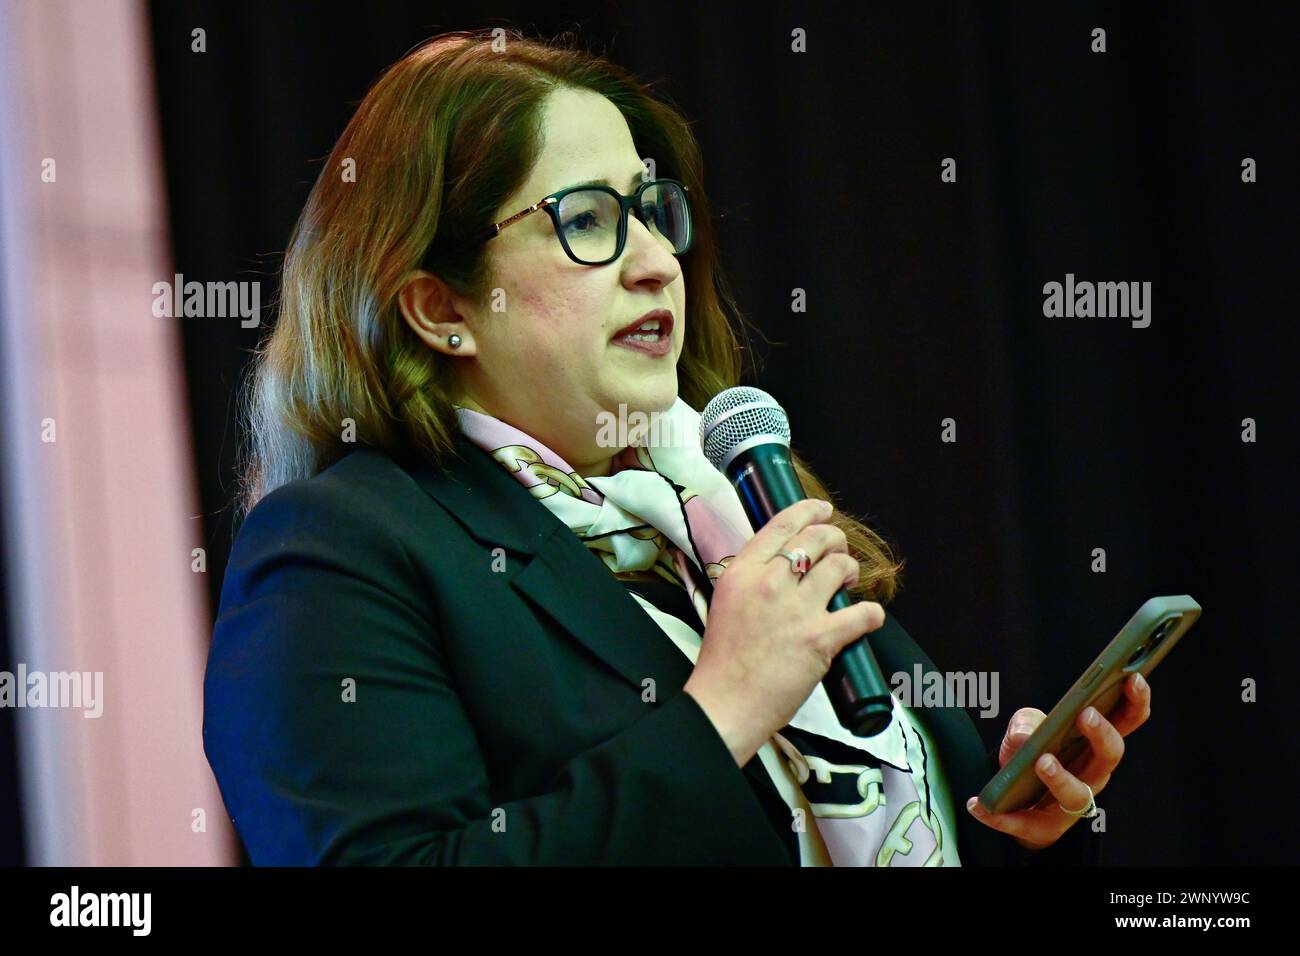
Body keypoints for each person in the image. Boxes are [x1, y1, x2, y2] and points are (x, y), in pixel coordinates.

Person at [202, 29, 1151, 866]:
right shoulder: (335, 553)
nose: (657, 259)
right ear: (443, 308)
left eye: (651, 209)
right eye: (585, 221)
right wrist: (722, 713)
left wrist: (1015, 818)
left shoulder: (722, 505)